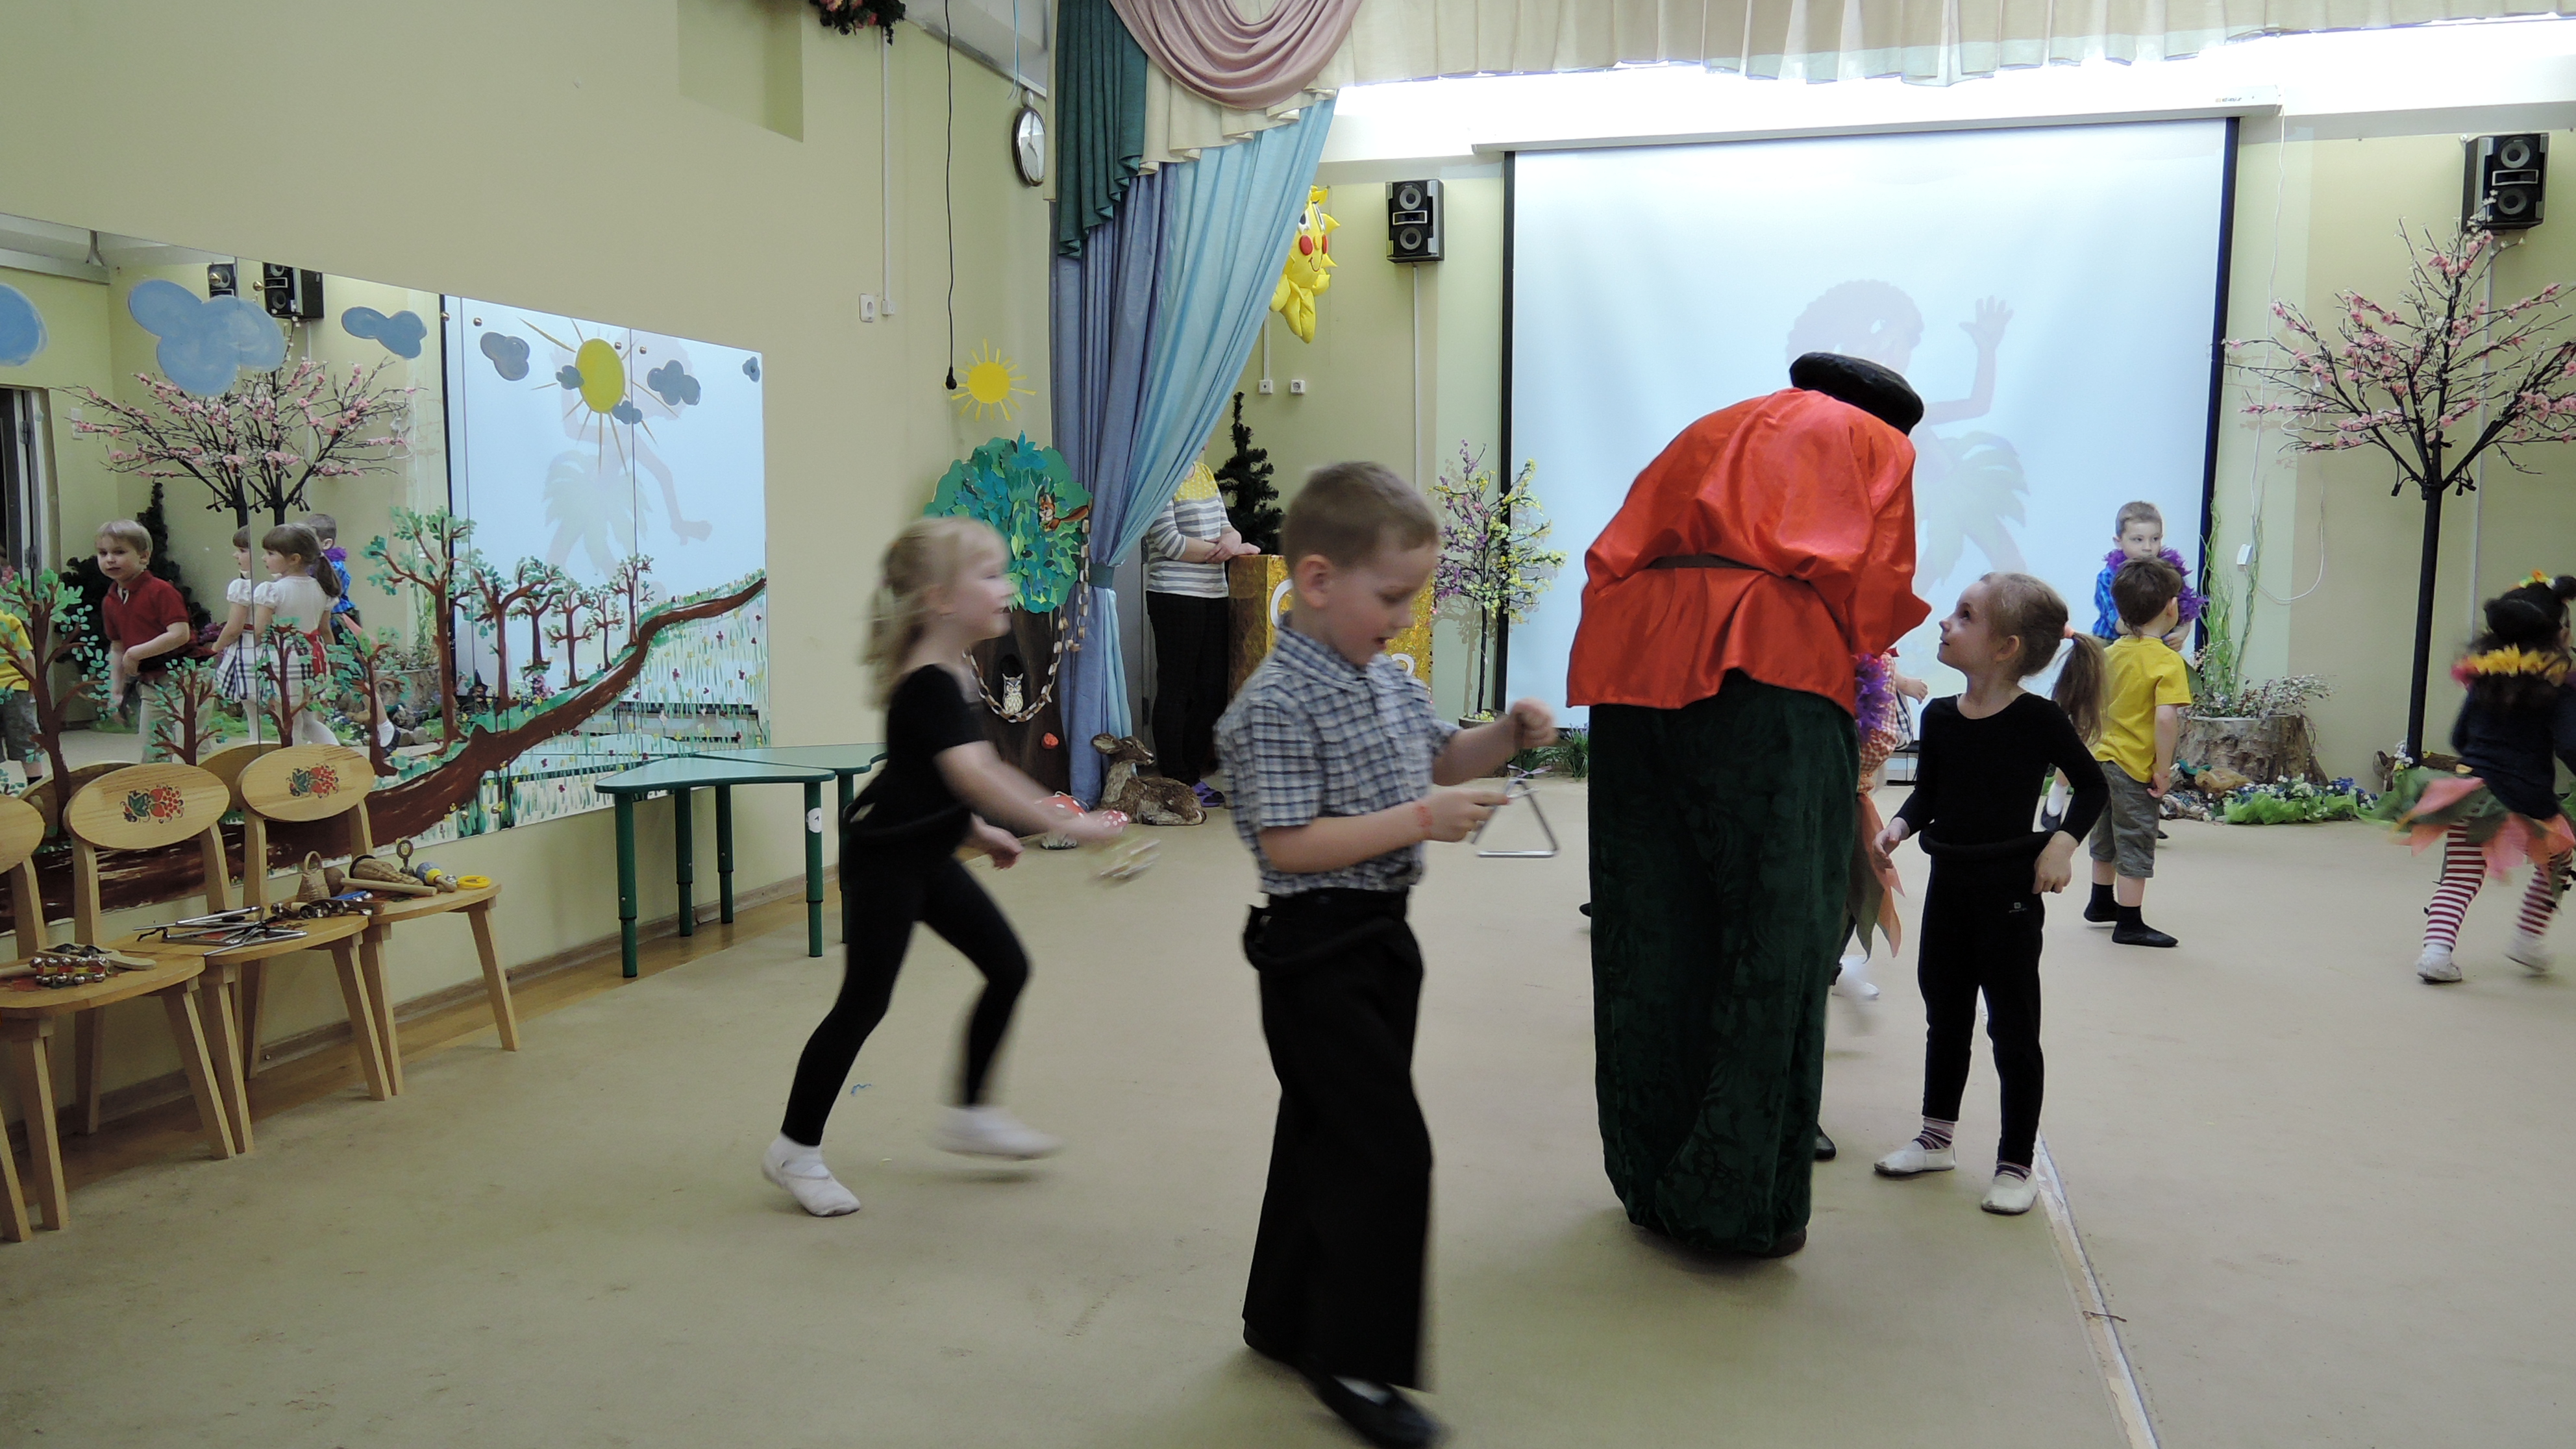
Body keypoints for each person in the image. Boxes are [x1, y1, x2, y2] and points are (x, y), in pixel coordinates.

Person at [1568, 352, 1929, 1258]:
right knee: (1776, 934)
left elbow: (1620, 544)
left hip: (1632, 659)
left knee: (1648, 922)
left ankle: (1648, 1177)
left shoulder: (1714, 424)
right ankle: (1736, 1203)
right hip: (1772, 668)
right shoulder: (1874, 440)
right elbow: (1874, 603)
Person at [1216, 462, 1546, 1449]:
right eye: (1393, 597)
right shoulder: (1273, 704)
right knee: (1384, 1150)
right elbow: (1288, 845)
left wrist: (1505, 735)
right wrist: (1418, 819)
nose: (1405, 620)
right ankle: (1352, 1360)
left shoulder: (1384, 682)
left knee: (1322, 1129)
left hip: (1380, 943)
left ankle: (1280, 1316)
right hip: (1314, 953)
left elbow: (1440, 757)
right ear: (1318, 582)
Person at [762, 517, 1126, 1219]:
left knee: (1007, 967)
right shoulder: (927, 682)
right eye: (989, 574)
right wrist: (1067, 821)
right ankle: (793, 1149)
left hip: (924, 845)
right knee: (863, 1003)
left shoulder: (955, 671)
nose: (1007, 586)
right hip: (887, 862)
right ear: (940, 599)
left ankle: (971, 1114)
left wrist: (977, 830)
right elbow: (976, 772)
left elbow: (925, 777)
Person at [1872, 575, 2108, 1215]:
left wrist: (2061, 844)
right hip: (1949, 886)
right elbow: (1929, 792)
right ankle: (1936, 1138)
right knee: (1944, 1015)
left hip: (2007, 893)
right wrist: (1899, 826)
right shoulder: (1940, 716)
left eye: (1964, 615)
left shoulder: (2037, 720)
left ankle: (2015, 1163)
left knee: (2012, 1027)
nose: (1945, 622)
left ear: (2005, 647)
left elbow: (2091, 786)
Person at [2375, 572, 2576, 984]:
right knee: (2559, 859)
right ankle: (2527, 940)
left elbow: (2459, 735)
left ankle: (2435, 953)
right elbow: (2571, 744)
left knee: (2462, 875)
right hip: (2526, 794)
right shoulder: (2558, 687)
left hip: (2473, 791)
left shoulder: (2484, 677)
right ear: (2558, 634)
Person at [2079, 556, 2190, 948]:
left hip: (2099, 760)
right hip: (2132, 767)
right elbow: (2165, 719)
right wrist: (2163, 769)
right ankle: (2129, 922)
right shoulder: (2167, 661)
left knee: (2105, 834)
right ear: (2172, 608)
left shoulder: (2109, 655)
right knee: (2135, 838)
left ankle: (2100, 902)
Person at [1143, 462, 1257, 808]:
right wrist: (1228, 550)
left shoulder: (1205, 474)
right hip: (1174, 594)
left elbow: (1227, 527)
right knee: (1177, 687)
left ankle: (1190, 774)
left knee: (1212, 690)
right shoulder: (1161, 474)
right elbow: (1170, 543)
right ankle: (1175, 778)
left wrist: (1232, 539)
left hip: (1214, 593)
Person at [96, 519, 193, 762]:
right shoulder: (111, 600)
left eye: (119, 552)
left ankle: (203, 781)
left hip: (185, 674)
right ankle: (158, 784)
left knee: (192, 742)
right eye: (103, 553)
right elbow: (117, 646)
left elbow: (180, 633)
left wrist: (136, 653)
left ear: (144, 556)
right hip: (151, 679)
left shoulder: (160, 591)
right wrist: (116, 690)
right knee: (154, 745)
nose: (110, 559)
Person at [250, 525, 343, 747]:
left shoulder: (273, 590)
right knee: (309, 719)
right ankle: (335, 754)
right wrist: (334, 661)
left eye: (271, 553)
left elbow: (260, 630)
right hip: (314, 655)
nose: (264, 558)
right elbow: (325, 630)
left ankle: (295, 760)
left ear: (294, 559)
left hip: (286, 658)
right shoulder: (320, 588)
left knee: (288, 719)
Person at [2088, 501, 2201, 649]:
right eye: (2138, 540)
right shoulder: (2109, 577)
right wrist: (2153, 631)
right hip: (2112, 642)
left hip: (2156, 642)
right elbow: (2118, 624)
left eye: (2155, 539)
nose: (2148, 547)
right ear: (2119, 542)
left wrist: (2181, 634)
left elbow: (2184, 610)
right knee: (2095, 652)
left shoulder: (2169, 572)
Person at [209, 526, 258, 709]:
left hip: (247, 651)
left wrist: (215, 650)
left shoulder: (243, 587)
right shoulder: (279, 585)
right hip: (278, 650)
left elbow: (234, 628)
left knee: (253, 709)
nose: (235, 555)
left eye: (242, 551)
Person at [301, 512, 362, 634]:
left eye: (309, 540)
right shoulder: (308, 564)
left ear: (326, 544)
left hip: (337, 619)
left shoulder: (335, 567)